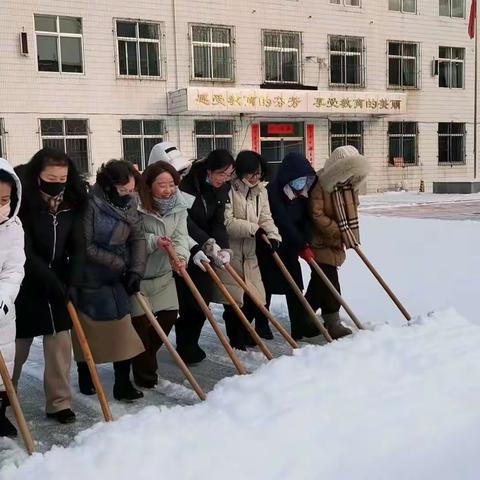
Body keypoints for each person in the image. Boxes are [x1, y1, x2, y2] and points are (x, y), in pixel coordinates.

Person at [13, 148, 87, 424]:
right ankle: (5, 395)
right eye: (51, 177)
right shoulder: (23, 201)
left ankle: (59, 402)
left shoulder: (74, 201)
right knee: (16, 345)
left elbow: (79, 245)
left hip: (60, 278)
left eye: (63, 177)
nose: (57, 183)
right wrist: (50, 279)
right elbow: (25, 250)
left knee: (59, 344)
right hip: (25, 279)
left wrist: (74, 281)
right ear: (38, 175)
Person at [73, 160, 147, 402]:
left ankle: (122, 383)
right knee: (91, 329)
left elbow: (137, 238)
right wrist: (119, 264)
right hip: (91, 275)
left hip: (120, 276)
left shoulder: (131, 202)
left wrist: (135, 271)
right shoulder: (90, 204)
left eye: (131, 190)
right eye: (123, 190)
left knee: (122, 328)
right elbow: (86, 245)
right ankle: (86, 374)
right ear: (108, 186)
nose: (128, 195)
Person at [130, 161, 190, 388]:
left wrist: (181, 258)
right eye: (161, 184)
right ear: (148, 185)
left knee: (168, 316)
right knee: (140, 325)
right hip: (139, 276)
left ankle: (145, 356)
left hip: (164, 274)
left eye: (172, 184)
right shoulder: (136, 205)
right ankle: (145, 374)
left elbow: (181, 237)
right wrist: (154, 241)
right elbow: (129, 237)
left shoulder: (179, 207)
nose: (168, 190)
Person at [215, 151, 281, 350]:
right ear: (241, 172)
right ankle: (236, 339)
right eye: (251, 173)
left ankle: (245, 332)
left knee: (256, 299)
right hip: (231, 253)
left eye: (258, 173)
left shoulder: (262, 191)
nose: (255, 178)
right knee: (235, 302)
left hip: (251, 254)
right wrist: (254, 229)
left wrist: (273, 235)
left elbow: (266, 217)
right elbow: (227, 222)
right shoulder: (229, 189)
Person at [175, 149, 235, 364]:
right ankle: (185, 343)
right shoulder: (188, 186)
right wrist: (204, 242)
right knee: (192, 301)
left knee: (203, 299)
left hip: (206, 247)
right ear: (209, 170)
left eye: (229, 175)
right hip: (185, 245)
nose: (225, 179)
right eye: (222, 174)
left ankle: (190, 340)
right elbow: (184, 221)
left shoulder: (222, 187)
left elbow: (219, 222)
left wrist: (223, 247)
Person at [306, 145, 370, 339]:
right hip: (320, 242)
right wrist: (338, 230)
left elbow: (352, 210)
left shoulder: (348, 186)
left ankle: (303, 316)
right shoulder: (321, 185)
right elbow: (315, 213)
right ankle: (332, 322)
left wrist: (346, 232)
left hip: (336, 243)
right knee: (330, 282)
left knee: (319, 284)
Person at [257, 152, 318, 341]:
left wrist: (305, 241)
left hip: (290, 249)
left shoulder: (302, 193)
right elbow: (282, 222)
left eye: (305, 179)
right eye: (298, 179)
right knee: (264, 290)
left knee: (295, 288)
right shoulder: (272, 192)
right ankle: (261, 325)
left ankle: (298, 327)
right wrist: (300, 243)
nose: (302, 183)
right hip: (270, 248)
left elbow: (306, 220)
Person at [0, 158, 25, 438]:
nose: (1, 205)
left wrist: (4, 297)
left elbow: (15, 268)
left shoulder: (13, 227)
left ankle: (1, 414)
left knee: (3, 369)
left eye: (5, 199)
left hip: (2, 312)